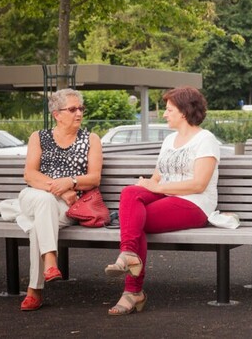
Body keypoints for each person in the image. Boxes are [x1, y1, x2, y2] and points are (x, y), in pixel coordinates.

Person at [105, 86, 220, 316]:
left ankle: (133, 290)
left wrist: (158, 187)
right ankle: (128, 254)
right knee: (130, 192)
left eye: (169, 109)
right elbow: (157, 176)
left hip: (194, 203)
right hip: (166, 194)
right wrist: (146, 184)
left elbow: (198, 184)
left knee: (138, 222)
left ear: (184, 111)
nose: (164, 114)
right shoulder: (169, 140)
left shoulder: (206, 140)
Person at [17, 88, 102, 311]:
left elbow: (94, 178)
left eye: (81, 108)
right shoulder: (39, 137)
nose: (79, 113)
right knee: (44, 202)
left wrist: (72, 183)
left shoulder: (90, 139)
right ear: (57, 114)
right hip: (35, 195)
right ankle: (51, 260)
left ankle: (35, 290)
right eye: (72, 109)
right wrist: (60, 189)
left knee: (38, 226)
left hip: (69, 206)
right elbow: (30, 175)